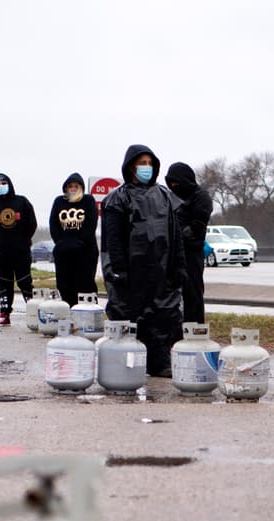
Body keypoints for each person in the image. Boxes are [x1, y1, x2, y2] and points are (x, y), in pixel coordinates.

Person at [101, 144, 187, 377]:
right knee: (128, 315)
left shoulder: (166, 197)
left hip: (161, 269)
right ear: (131, 167)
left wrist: (179, 265)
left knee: (163, 315)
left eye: (149, 163)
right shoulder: (117, 198)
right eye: (142, 163)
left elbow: (176, 235)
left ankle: (160, 363)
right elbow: (113, 239)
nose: (146, 168)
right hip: (131, 270)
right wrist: (118, 268)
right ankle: (124, 366)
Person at [0, 173, 38, 325]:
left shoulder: (22, 202)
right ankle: (5, 313)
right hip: (2, 253)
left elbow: (32, 223)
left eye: (4, 182)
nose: (1, 186)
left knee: (25, 282)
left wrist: (25, 241)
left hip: (21, 252)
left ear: (10, 183)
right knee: (4, 284)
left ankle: (34, 312)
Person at [165, 162, 212, 324]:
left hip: (191, 253)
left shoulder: (200, 197)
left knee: (193, 294)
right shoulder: (170, 198)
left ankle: (194, 328)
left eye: (177, 183)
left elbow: (197, 228)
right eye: (171, 184)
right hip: (172, 253)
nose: (174, 187)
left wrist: (177, 234)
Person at [47, 173, 99, 307]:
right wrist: (60, 242)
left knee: (85, 284)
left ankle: (88, 312)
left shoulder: (88, 200)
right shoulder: (59, 201)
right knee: (65, 285)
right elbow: (53, 224)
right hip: (64, 251)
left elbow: (91, 222)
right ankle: (68, 312)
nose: (73, 189)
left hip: (85, 250)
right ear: (65, 188)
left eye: (76, 186)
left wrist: (80, 241)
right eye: (70, 186)